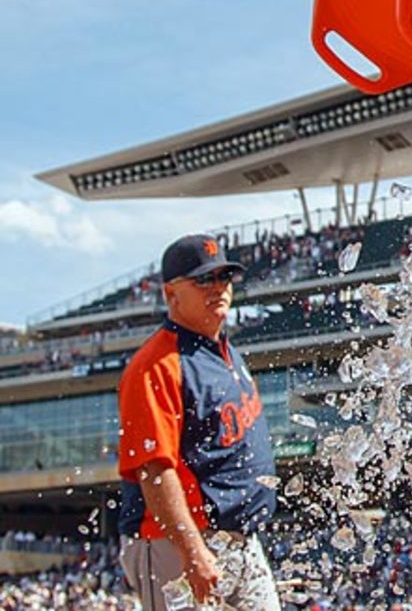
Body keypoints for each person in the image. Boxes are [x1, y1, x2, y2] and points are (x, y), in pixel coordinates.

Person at [117, 234, 280, 610]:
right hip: (178, 545)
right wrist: (192, 550)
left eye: (225, 278)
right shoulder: (155, 365)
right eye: (204, 279)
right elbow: (155, 470)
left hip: (242, 540)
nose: (219, 288)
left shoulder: (227, 352)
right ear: (171, 294)